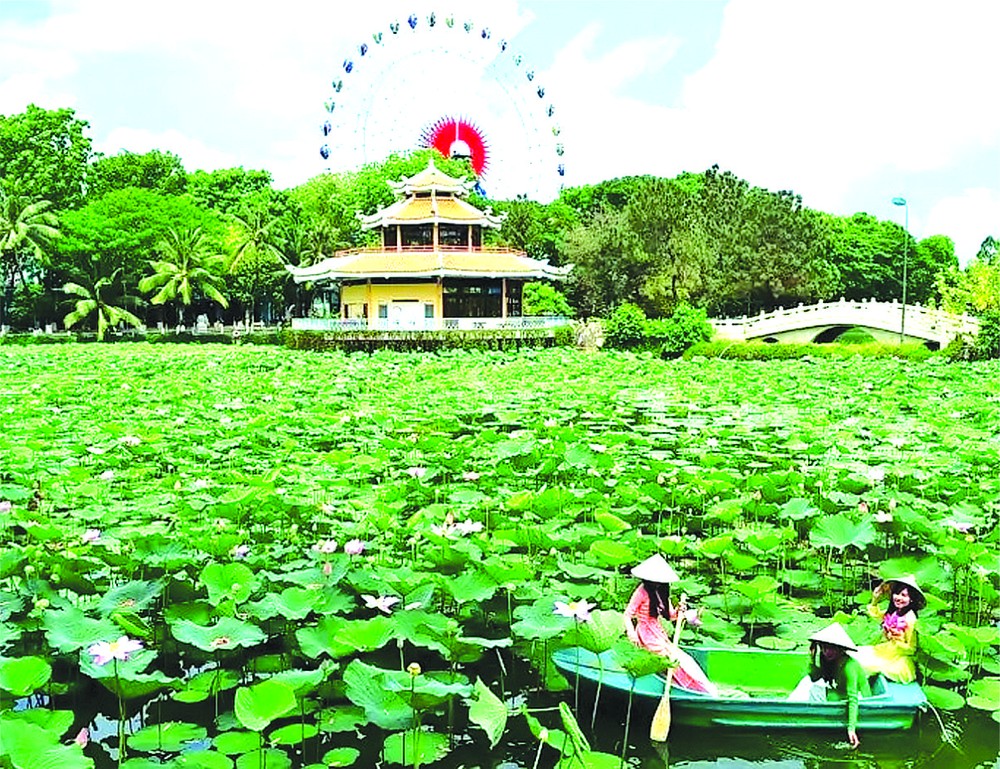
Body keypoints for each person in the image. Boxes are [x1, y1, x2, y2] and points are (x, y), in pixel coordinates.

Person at [622, 554, 718, 696]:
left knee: (685, 660)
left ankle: (702, 689)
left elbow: (670, 615)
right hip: (646, 634)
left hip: (658, 632)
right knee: (669, 659)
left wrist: (680, 610)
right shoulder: (641, 591)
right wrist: (631, 633)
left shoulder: (662, 591)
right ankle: (677, 685)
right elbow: (627, 614)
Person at [789, 623, 870, 748]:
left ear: (840, 648)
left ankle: (810, 718)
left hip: (860, 698)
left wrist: (851, 729)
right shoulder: (826, 658)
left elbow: (853, 698)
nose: (827, 652)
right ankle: (793, 710)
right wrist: (812, 658)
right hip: (837, 692)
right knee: (807, 682)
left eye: (831, 648)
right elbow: (814, 677)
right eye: (824, 648)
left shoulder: (849, 666)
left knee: (813, 690)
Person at [853, 575, 924, 683]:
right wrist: (875, 599)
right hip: (885, 650)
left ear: (911, 599)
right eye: (897, 593)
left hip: (897, 657)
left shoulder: (910, 619)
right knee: (854, 653)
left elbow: (911, 649)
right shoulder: (896, 611)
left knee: (865, 664)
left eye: (904, 595)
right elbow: (877, 616)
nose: (899, 598)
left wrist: (897, 640)